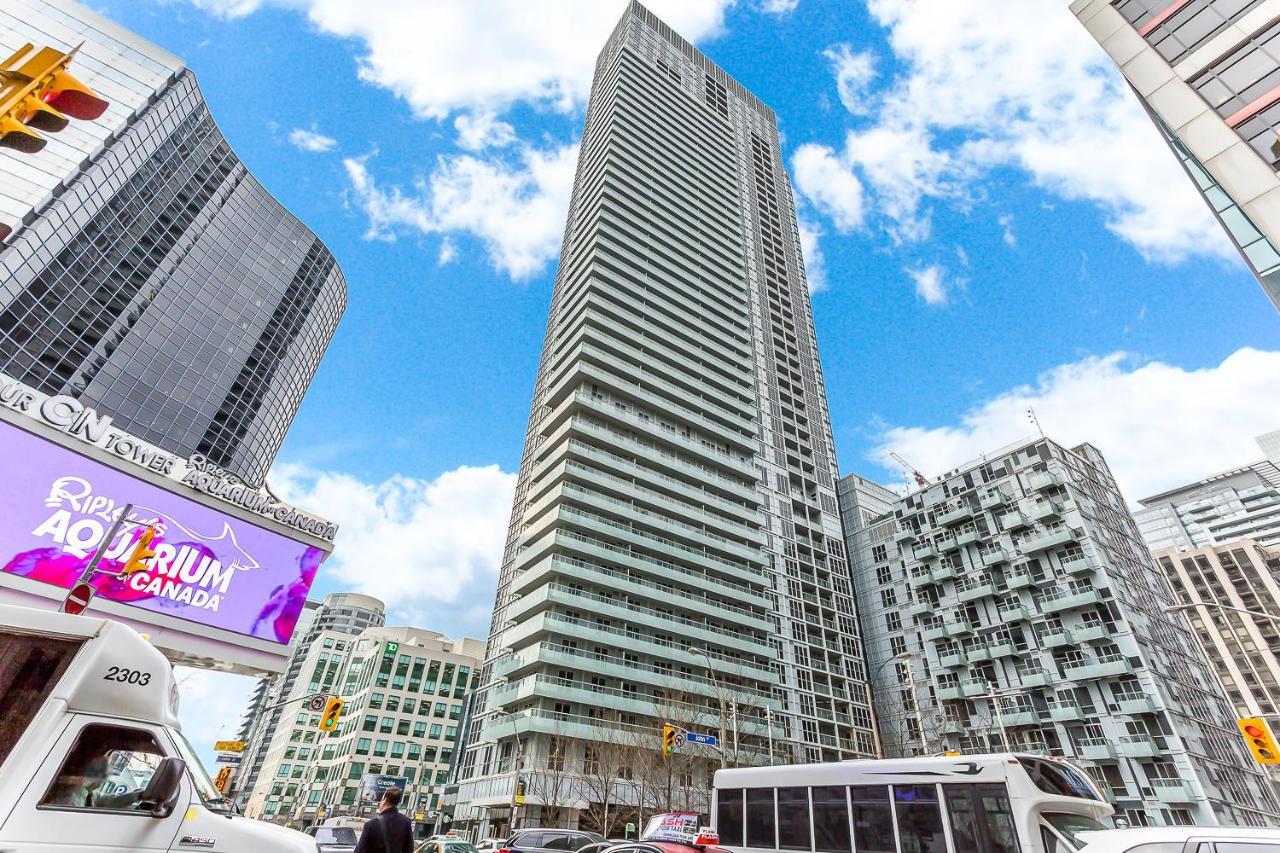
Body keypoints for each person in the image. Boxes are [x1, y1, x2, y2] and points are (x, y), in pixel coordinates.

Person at [355, 787, 414, 853]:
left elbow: (360, 851)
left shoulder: (371, 825)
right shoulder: (406, 822)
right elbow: (409, 849)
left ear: (384, 800)